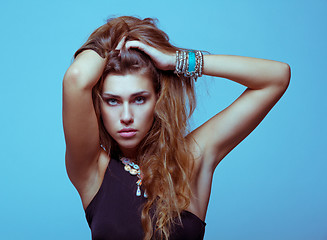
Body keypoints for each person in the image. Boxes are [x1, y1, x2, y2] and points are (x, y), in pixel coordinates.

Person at [62, 16, 290, 240]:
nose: (126, 116)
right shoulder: (92, 170)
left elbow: (276, 77)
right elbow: (76, 77)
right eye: (113, 101)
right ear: (99, 105)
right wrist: (112, 36)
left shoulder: (191, 159)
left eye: (139, 99)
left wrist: (177, 61)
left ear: (158, 99)